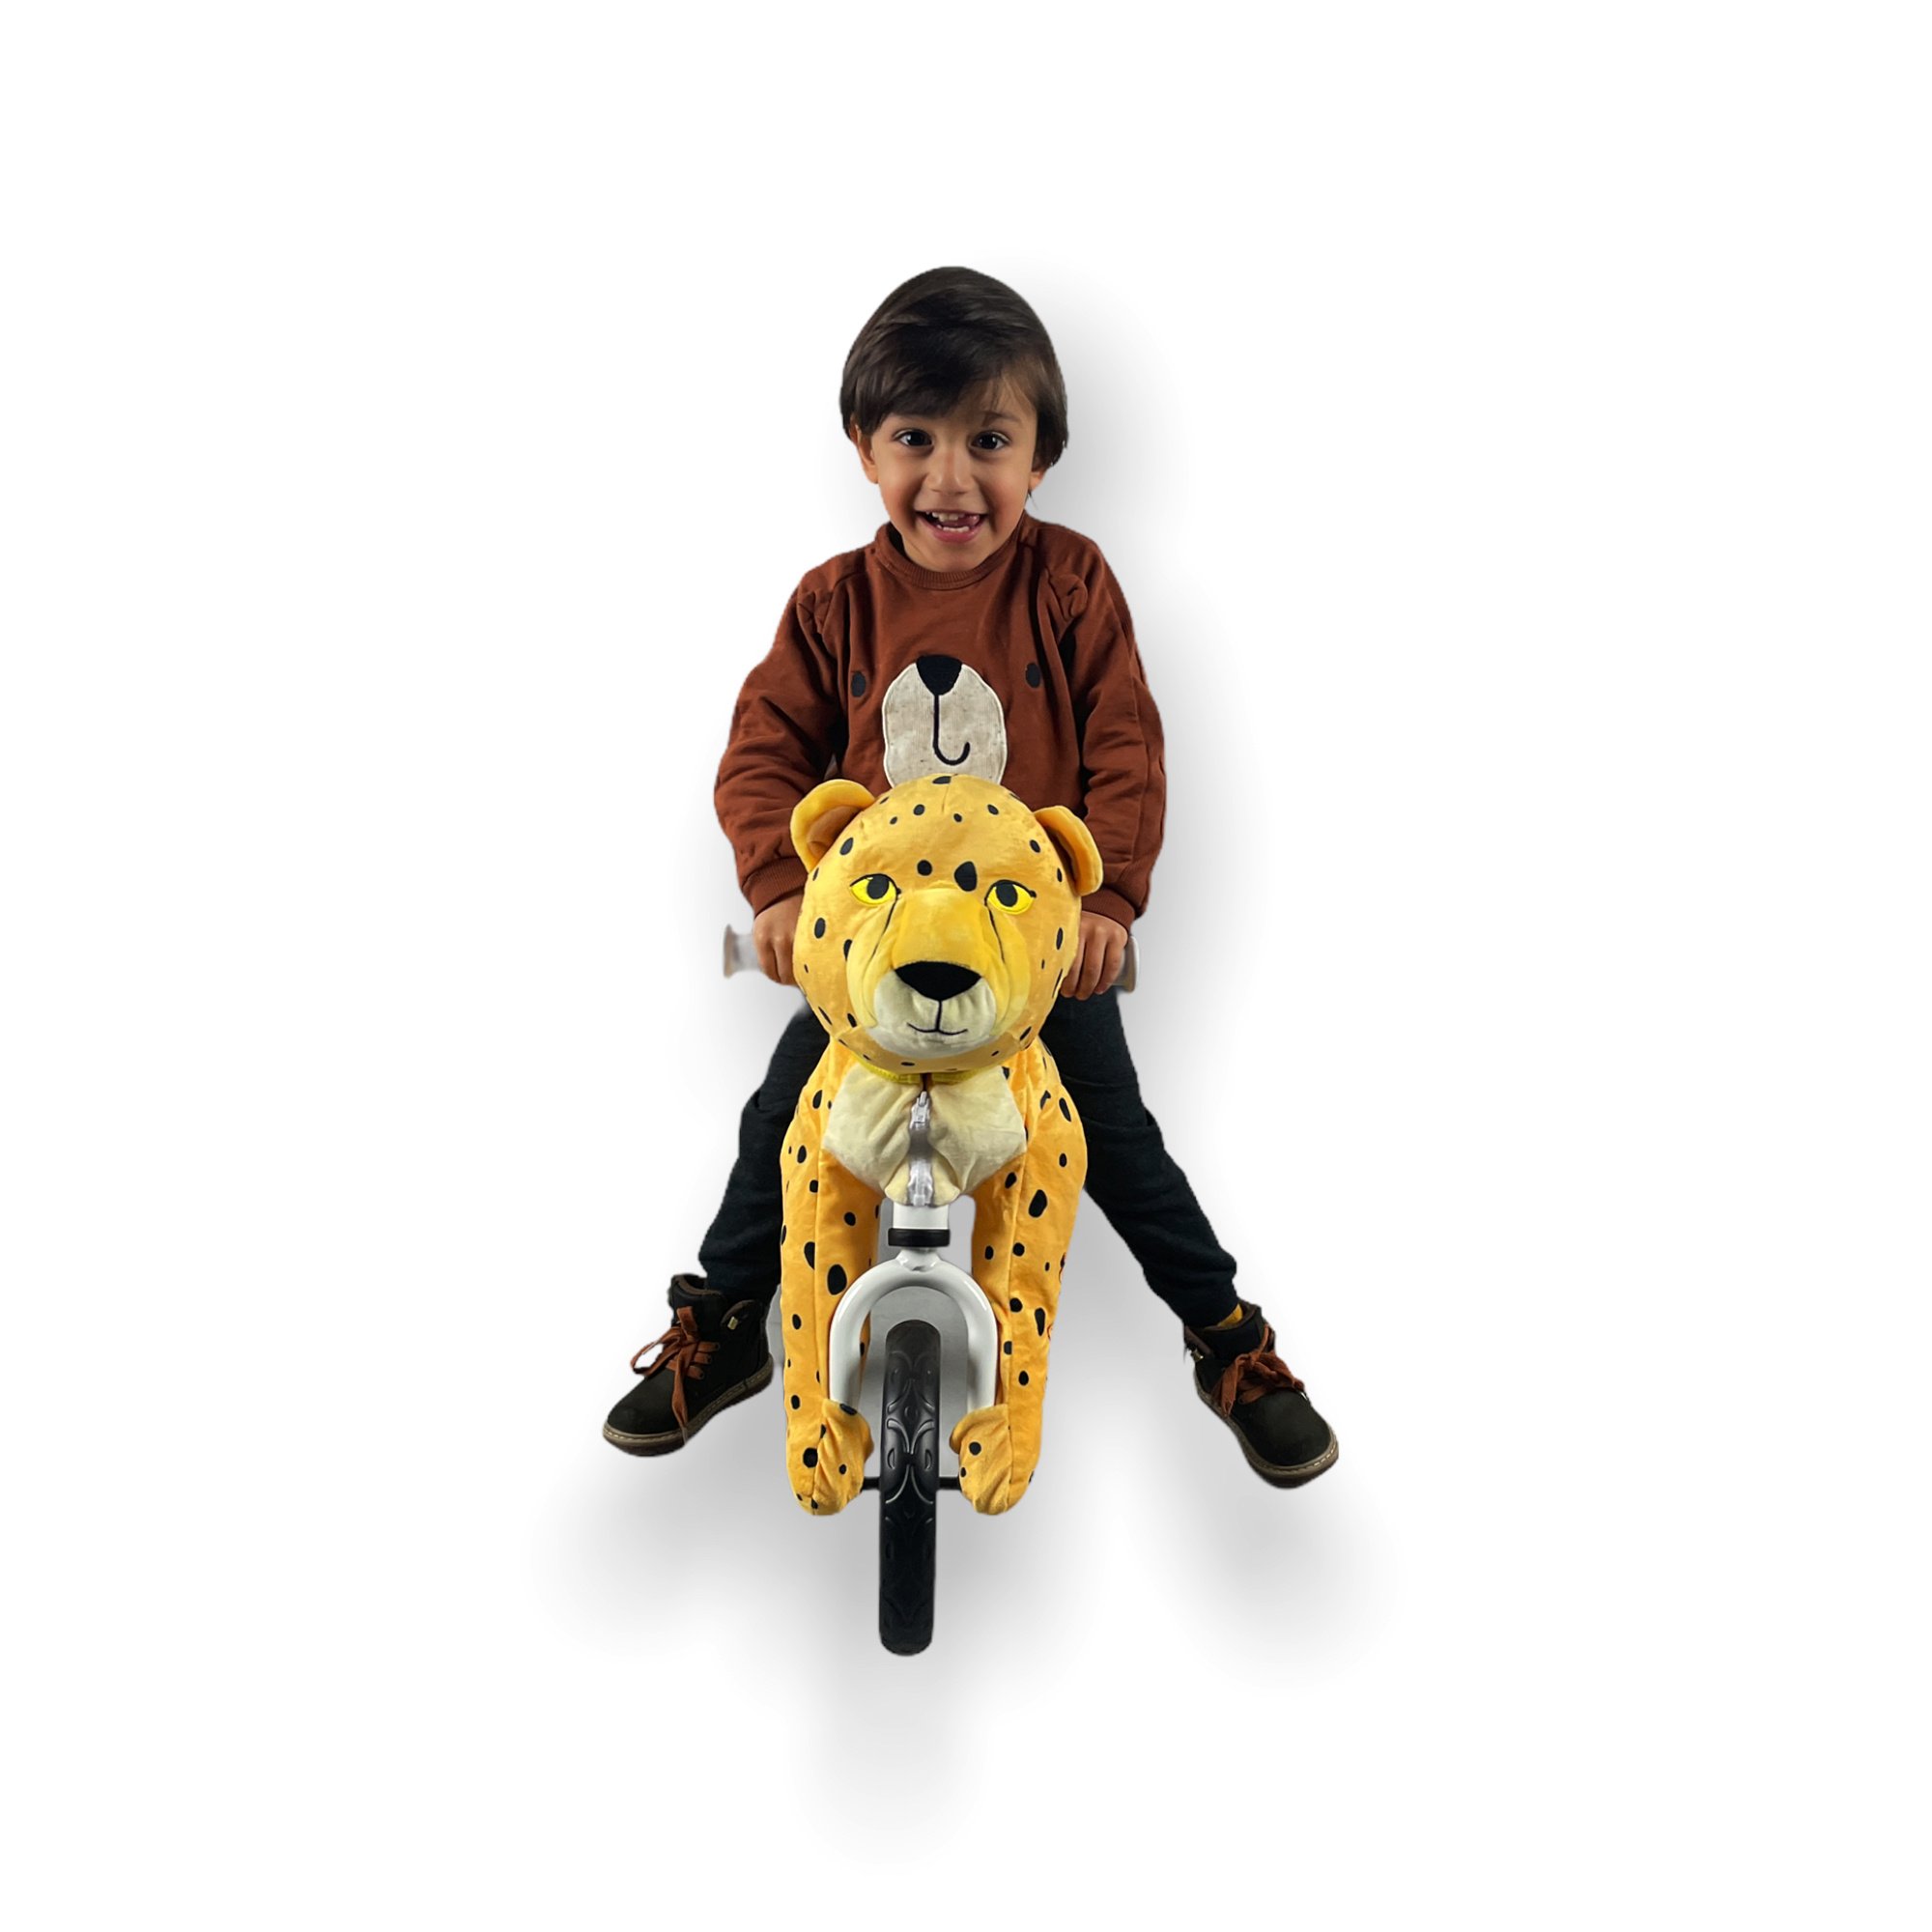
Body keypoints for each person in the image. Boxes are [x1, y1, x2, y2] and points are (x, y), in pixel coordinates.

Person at [603, 267, 1337, 1489]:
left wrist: (1105, 902)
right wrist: (778, 887)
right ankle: (721, 1326)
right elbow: (764, 749)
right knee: (784, 1123)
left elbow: (1124, 745)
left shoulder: (1069, 584)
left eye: (988, 441)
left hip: (1027, 965)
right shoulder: (833, 604)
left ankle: (1228, 1342)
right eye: (915, 439)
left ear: (1040, 457)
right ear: (861, 447)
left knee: (1116, 1142)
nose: (950, 478)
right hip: (873, 970)